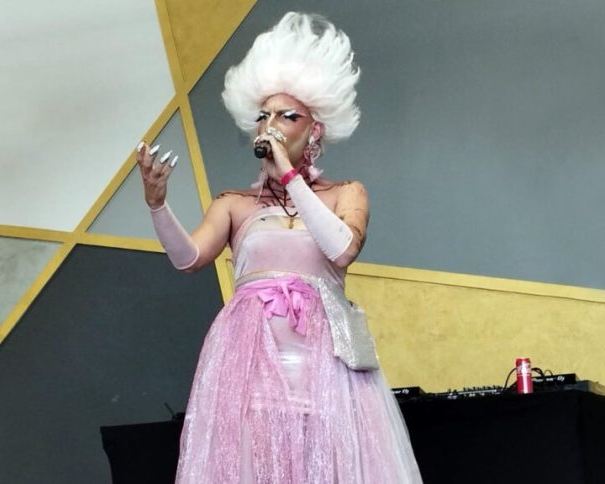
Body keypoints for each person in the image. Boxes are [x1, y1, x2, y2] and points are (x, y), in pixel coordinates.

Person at [134, 12, 422, 484]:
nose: (272, 125)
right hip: (251, 365)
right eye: (264, 115)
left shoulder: (346, 194)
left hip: (327, 368)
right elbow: (188, 260)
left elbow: (343, 250)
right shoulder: (234, 204)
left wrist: (290, 175)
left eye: (288, 116)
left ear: (315, 130)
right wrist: (157, 204)